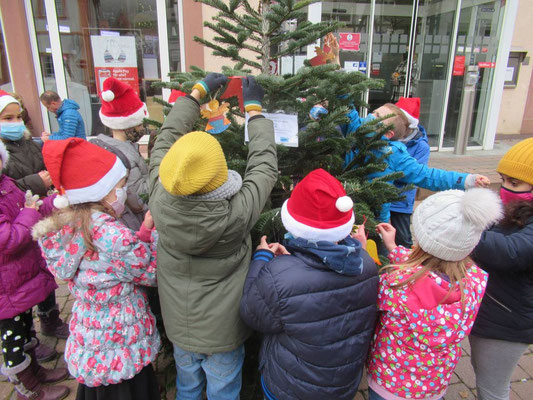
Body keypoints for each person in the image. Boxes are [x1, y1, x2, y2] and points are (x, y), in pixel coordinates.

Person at [149, 73, 277, 399]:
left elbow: (165, 139)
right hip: (224, 334)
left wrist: (194, 96)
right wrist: (255, 111)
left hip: (180, 327)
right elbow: (263, 167)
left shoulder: (159, 195)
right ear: (220, 175)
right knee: (224, 390)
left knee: (188, 386)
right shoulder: (237, 213)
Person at [33, 138, 160, 399]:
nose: (122, 193)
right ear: (99, 192)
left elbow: (118, 261)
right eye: (119, 188)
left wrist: (142, 231)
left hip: (92, 335)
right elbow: (150, 272)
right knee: (126, 387)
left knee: (100, 386)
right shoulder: (113, 236)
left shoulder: (67, 229)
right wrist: (155, 235)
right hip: (121, 336)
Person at [240, 168, 379, 400]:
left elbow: (252, 313)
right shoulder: (367, 264)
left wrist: (262, 260)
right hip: (342, 387)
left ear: (293, 224)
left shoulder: (278, 276)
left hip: (289, 389)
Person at [367, 188, 503, 400]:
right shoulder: (476, 280)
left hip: (390, 383)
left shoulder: (394, 286)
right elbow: (427, 270)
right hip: (433, 384)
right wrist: (393, 247)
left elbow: (371, 302)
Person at [0, 90, 68, 357]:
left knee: (40, 271)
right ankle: (24, 354)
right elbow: (12, 188)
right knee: (20, 288)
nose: (16, 122)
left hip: (34, 214)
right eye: (8, 118)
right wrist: (38, 183)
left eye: (19, 117)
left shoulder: (28, 143)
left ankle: (49, 318)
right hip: (22, 218)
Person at [0, 140, 70, 400]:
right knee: (13, 339)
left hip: (19, 279)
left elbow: (32, 209)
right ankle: (26, 388)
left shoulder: (6, 185)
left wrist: (54, 203)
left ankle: (35, 372)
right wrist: (29, 212)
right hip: (5, 287)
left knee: (26, 329)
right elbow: (8, 239)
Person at [341, 102, 490, 223]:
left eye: (377, 117)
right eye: (373, 112)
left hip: (373, 219)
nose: (369, 116)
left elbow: (428, 176)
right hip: (341, 207)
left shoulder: (394, 155)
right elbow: (346, 104)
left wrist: (467, 180)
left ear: (388, 134)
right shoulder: (356, 130)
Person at [468, 138, 533, 400]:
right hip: (491, 311)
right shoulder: (515, 210)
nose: (505, 188)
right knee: (483, 373)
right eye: (503, 180)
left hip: (507, 323)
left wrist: (462, 232)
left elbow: (511, 251)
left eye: (514, 183)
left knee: (492, 389)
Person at [95, 77, 150, 231]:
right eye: (139, 124)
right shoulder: (122, 157)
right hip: (137, 224)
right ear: (127, 124)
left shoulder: (126, 147)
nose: (142, 129)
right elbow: (139, 200)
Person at [389, 97, 430, 248]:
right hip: (380, 198)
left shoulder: (421, 146)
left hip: (401, 201)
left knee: (402, 237)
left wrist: (390, 168)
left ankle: (405, 262)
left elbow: (416, 173)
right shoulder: (388, 138)